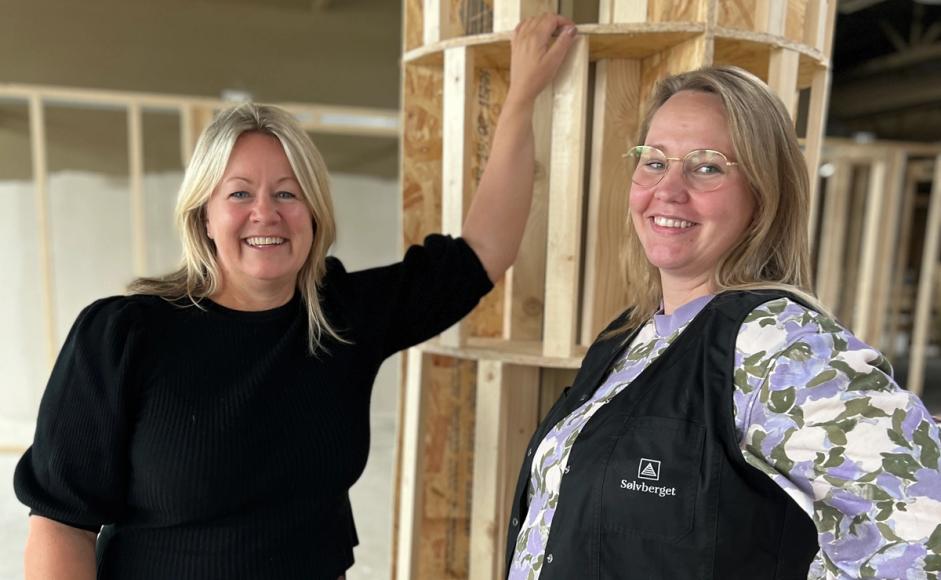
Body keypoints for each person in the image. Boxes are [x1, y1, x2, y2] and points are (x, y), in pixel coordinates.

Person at [14, 14, 577, 580]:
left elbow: (484, 248)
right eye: (239, 193)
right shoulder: (123, 335)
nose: (267, 213)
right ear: (204, 215)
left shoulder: (341, 318)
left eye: (288, 193)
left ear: (313, 213)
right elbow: (62, 525)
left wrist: (522, 95)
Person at [504, 65, 941, 579]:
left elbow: (924, 521)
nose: (667, 190)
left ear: (764, 193)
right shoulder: (631, 336)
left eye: (707, 167)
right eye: (654, 161)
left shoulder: (778, 345)